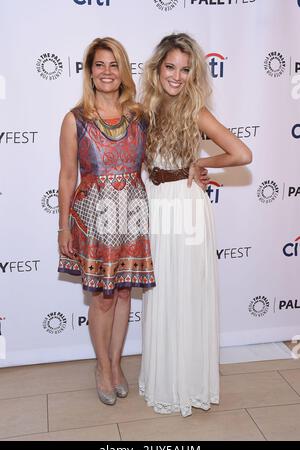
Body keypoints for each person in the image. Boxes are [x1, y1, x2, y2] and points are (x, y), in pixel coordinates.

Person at [139, 33, 252, 417]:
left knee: (185, 291)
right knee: (162, 291)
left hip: (185, 206)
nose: (177, 76)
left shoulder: (196, 111)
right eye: (170, 67)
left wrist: (202, 164)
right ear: (157, 69)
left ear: (194, 74)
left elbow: (241, 152)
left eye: (185, 69)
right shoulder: (144, 109)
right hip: (156, 204)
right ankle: (165, 376)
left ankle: (187, 382)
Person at [57, 37, 156, 406]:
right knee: (102, 298)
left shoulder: (140, 116)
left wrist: (192, 167)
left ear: (123, 70)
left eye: (114, 65)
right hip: (93, 219)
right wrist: (63, 227)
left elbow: (157, 160)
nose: (107, 72)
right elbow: (68, 176)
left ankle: (116, 365)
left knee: (126, 291)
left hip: (132, 213)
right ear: (89, 71)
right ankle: (102, 367)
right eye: (100, 65)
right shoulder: (76, 119)